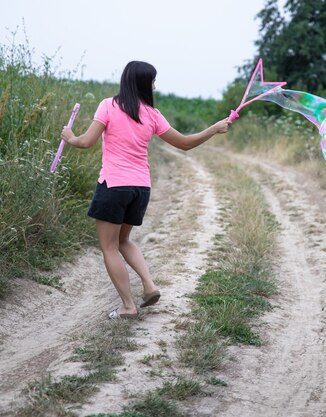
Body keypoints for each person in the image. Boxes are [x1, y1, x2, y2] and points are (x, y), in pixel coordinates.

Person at [61, 61, 231, 319]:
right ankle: (149, 286)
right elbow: (185, 144)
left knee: (109, 247)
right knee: (123, 240)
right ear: (142, 83)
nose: (154, 85)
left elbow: (85, 142)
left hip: (114, 185)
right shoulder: (152, 113)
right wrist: (213, 129)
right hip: (141, 188)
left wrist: (69, 137)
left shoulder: (109, 105)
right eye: (152, 81)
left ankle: (128, 306)